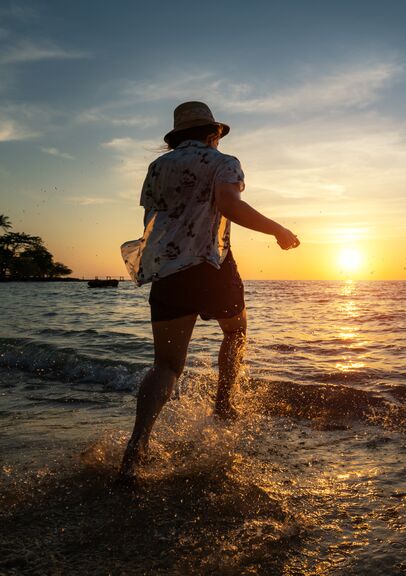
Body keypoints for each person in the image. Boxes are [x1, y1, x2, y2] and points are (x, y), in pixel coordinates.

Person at [118, 101, 300, 480]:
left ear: (176, 136)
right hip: (212, 265)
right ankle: (224, 403)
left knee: (166, 366)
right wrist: (278, 230)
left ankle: (137, 447)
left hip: (168, 270)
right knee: (236, 332)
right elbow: (229, 205)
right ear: (212, 134)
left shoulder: (157, 167)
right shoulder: (224, 161)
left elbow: (153, 219)